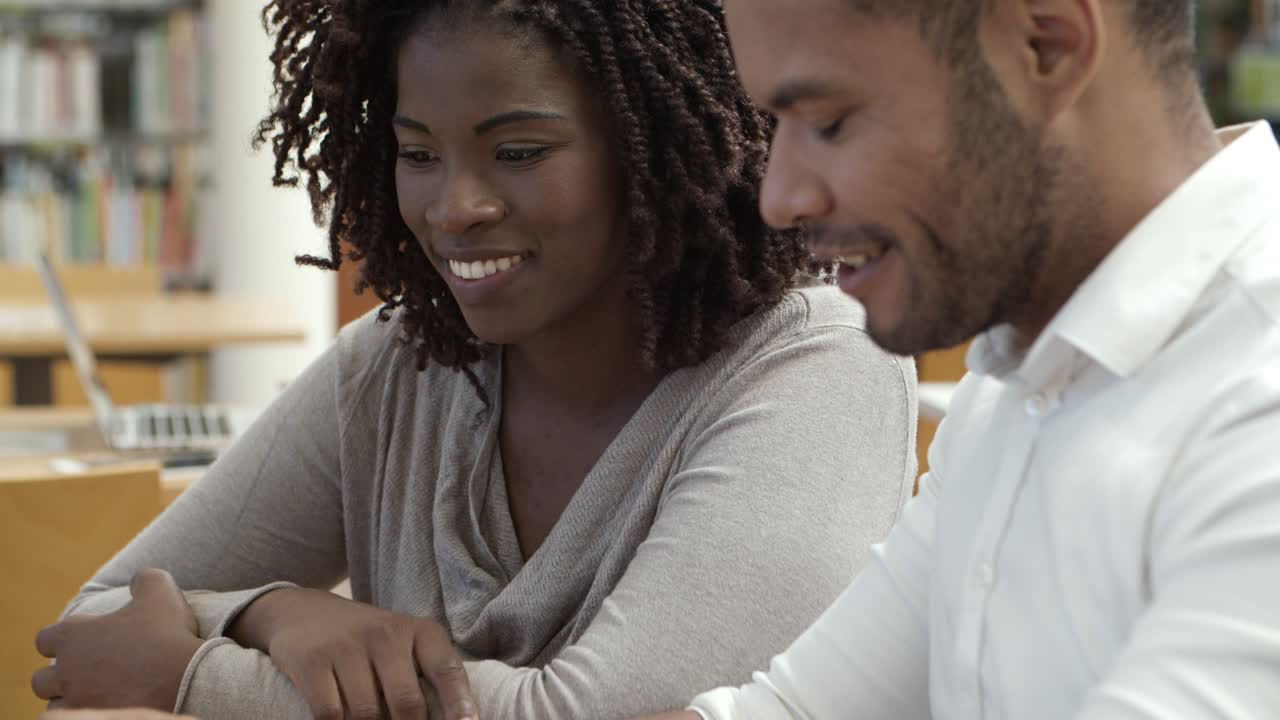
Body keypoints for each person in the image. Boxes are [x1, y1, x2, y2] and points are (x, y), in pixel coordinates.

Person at [30, 1, 919, 719]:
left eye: (519, 153)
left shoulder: (819, 368)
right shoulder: (396, 366)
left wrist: (194, 679)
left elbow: (592, 715)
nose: (454, 206)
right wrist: (272, 614)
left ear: (656, 148)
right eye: (418, 154)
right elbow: (95, 625)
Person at [637, 0, 1280, 717]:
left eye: (829, 122)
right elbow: (792, 711)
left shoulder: (1259, 399)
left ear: (1047, 45)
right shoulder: (1016, 376)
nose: (780, 197)